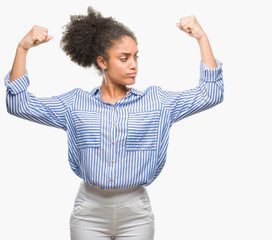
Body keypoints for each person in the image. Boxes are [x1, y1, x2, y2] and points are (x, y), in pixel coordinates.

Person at [4, 6, 224, 240]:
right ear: (103, 62)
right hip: (89, 211)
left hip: (136, 212)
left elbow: (211, 93)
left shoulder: (158, 103)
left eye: (135, 57)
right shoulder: (75, 104)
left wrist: (202, 38)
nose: (133, 65)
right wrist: (22, 48)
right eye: (124, 58)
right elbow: (19, 105)